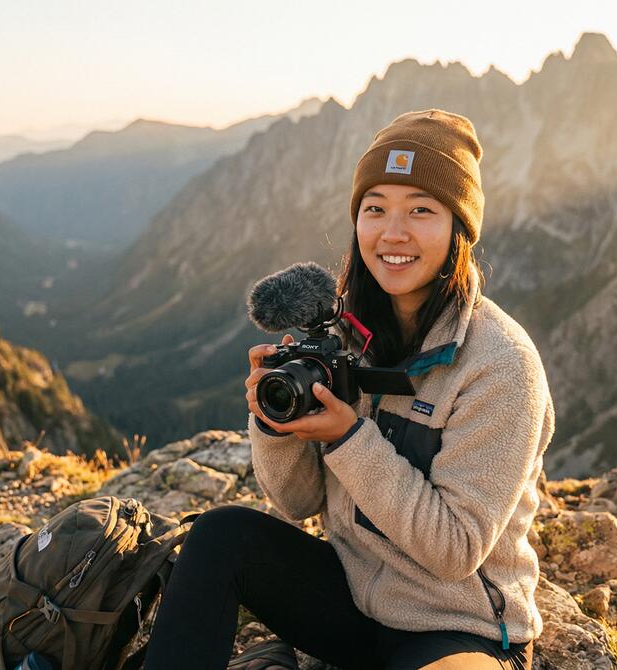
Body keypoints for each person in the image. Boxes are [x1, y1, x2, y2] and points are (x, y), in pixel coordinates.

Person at [143, 109, 554, 669]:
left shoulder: (501, 364)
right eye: (375, 208)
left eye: (421, 211)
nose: (393, 232)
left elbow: (456, 549)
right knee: (220, 536)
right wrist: (276, 425)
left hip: (456, 628)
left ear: (459, 227)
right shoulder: (342, 335)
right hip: (355, 604)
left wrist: (348, 438)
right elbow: (297, 502)